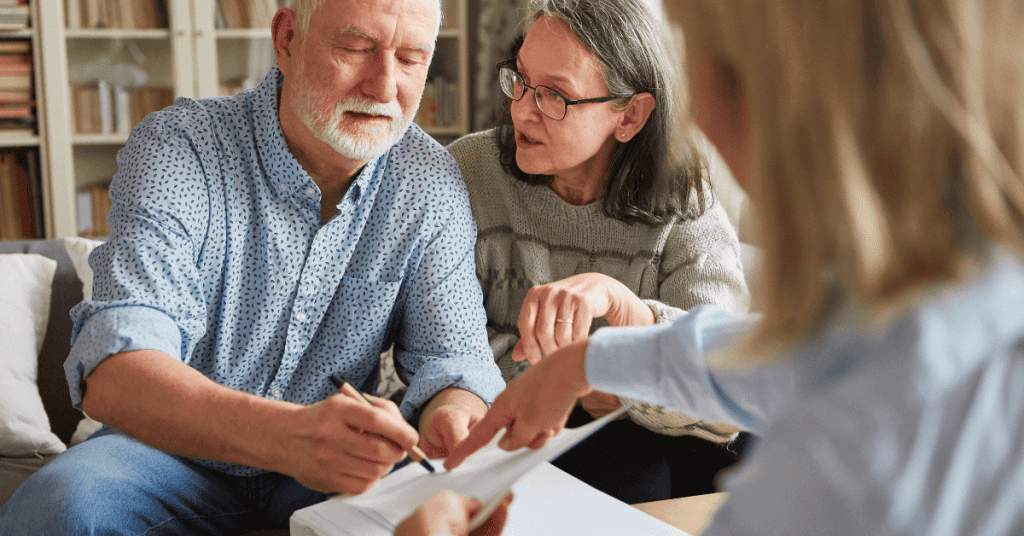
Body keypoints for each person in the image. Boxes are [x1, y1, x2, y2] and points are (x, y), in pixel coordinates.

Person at [446, 0, 1024, 534]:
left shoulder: (852, 453)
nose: (694, 102)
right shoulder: (948, 301)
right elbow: (779, 356)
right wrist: (591, 362)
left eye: (702, 53)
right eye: (519, 81)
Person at [0, 0, 506, 532]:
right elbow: (116, 371)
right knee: (57, 507)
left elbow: (456, 362)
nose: (383, 87)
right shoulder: (181, 147)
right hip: (164, 454)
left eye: (410, 58)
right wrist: (289, 436)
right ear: (287, 38)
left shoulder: (429, 182)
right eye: (356, 48)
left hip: (335, 468)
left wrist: (453, 416)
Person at [444, 0, 750, 502]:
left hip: (644, 446)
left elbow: (725, 390)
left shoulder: (684, 196)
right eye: (519, 80)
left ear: (629, 115)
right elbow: (441, 345)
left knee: (645, 471)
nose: (521, 108)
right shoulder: (468, 173)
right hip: (503, 422)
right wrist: (578, 381)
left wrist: (628, 330)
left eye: (553, 96)